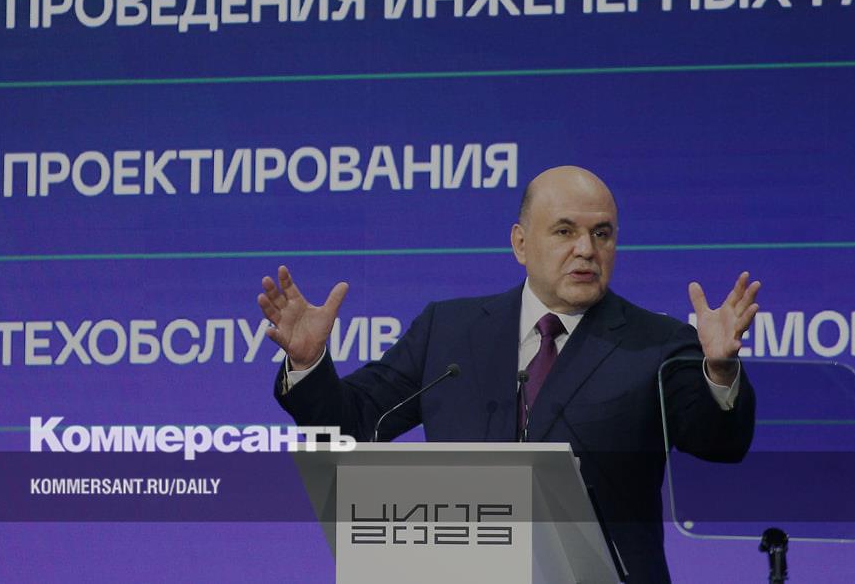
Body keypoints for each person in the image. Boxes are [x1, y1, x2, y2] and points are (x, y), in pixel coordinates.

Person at [256, 165, 758, 583]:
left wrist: (718, 370)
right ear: (520, 244)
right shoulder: (448, 330)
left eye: (601, 234)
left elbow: (719, 442)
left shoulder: (658, 343)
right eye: (565, 231)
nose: (586, 249)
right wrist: (308, 363)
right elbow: (356, 423)